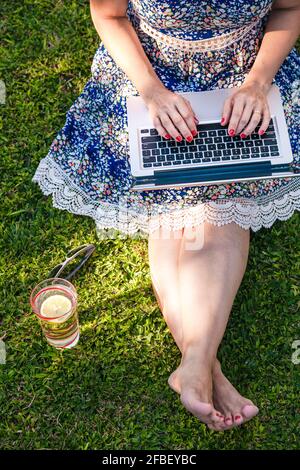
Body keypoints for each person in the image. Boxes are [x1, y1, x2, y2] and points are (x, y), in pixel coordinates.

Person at [32, 0, 300, 431]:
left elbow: (289, 9)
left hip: (241, 79)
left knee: (218, 208)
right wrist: (151, 92)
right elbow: (108, 14)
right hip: (156, 77)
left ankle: (195, 364)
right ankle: (203, 368)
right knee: (172, 214)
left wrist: (258, 82)